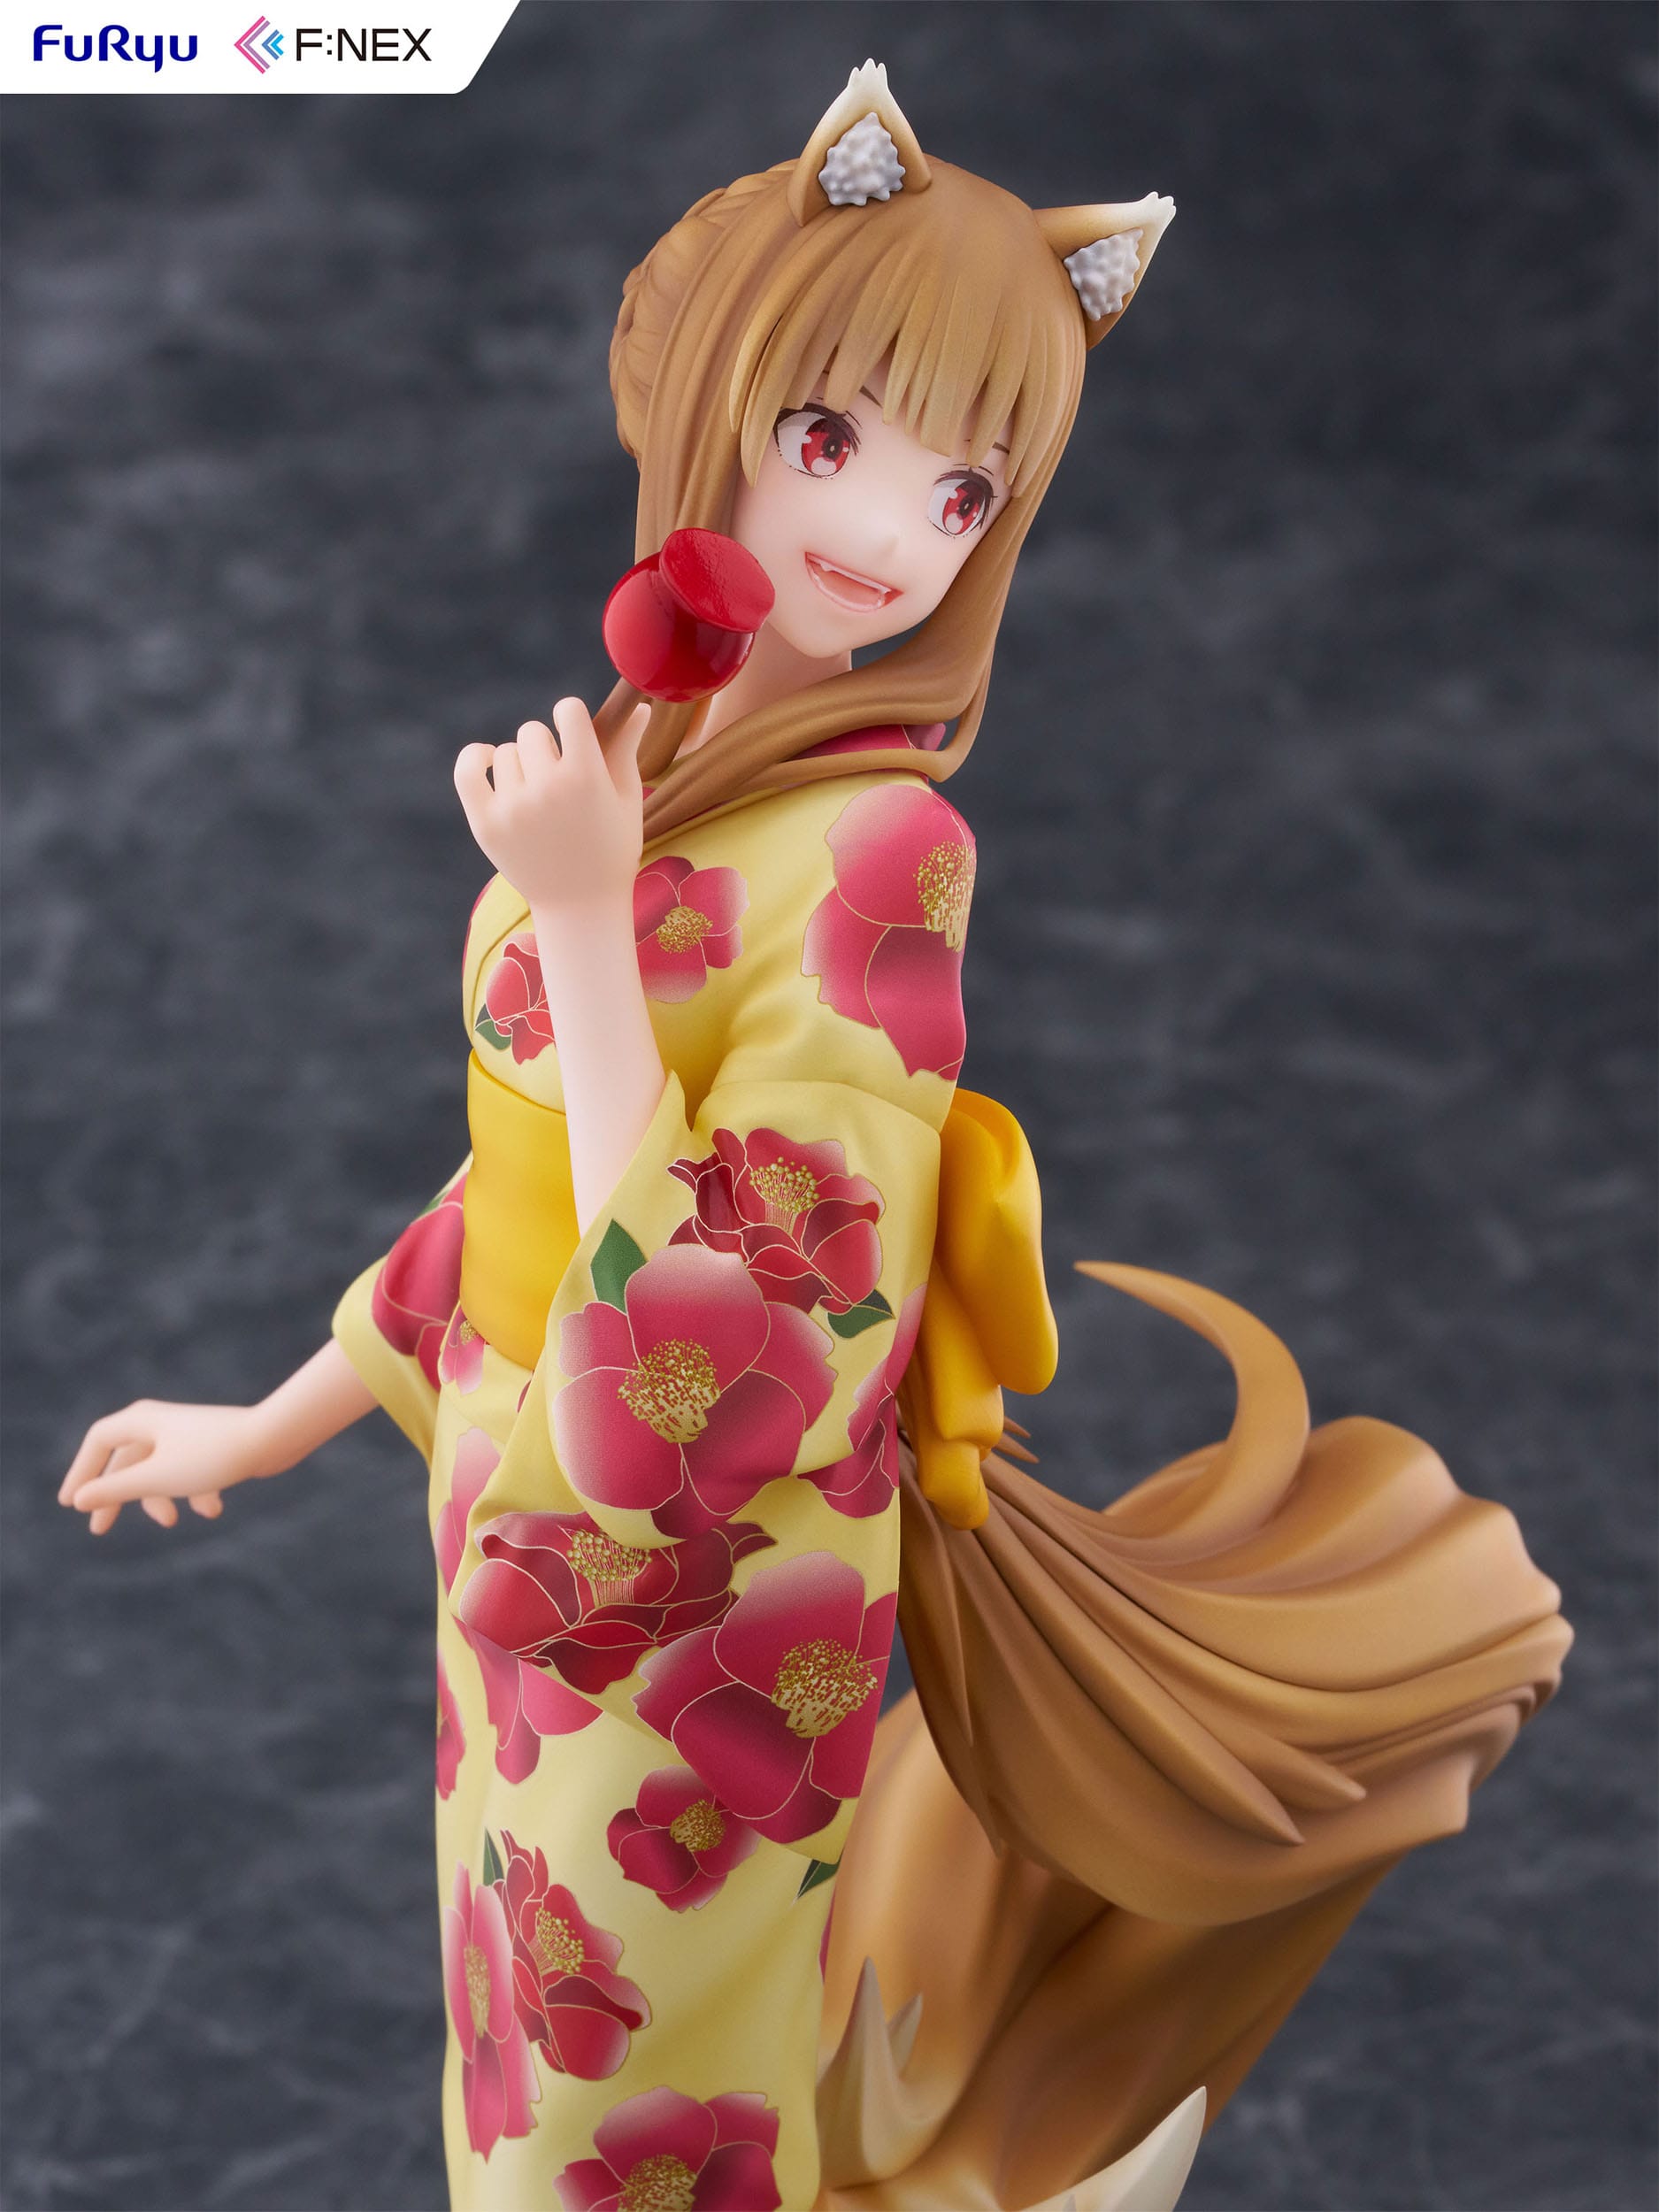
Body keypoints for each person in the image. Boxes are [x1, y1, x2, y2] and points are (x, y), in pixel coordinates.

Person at [58, 62, 1570, 2212]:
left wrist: (585, 921)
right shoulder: (653, 760)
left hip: (697, 1585)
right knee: (515, 2050)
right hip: (518, 1535)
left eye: (962, 492)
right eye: (829, 438)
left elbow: (751, 1298)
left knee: (624, 2104)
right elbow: (513, 1191)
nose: (880, 531)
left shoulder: (884, 850)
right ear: (712, 411)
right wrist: (271, 1416)